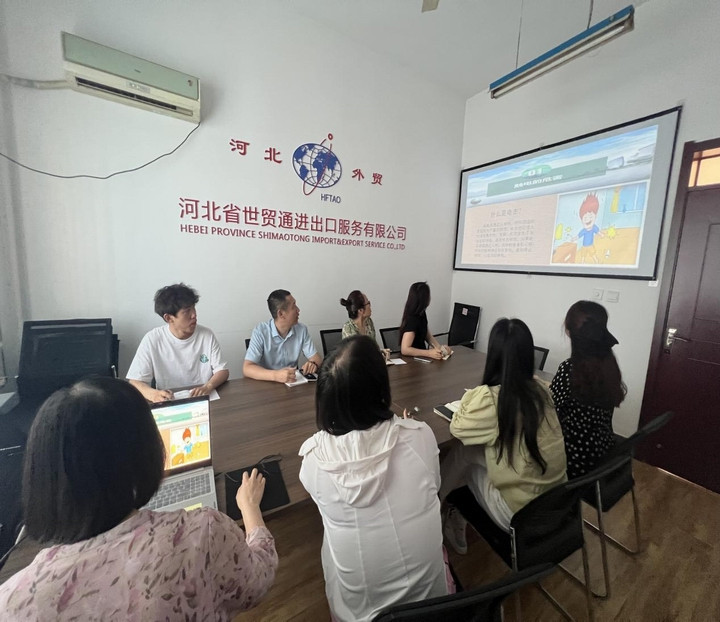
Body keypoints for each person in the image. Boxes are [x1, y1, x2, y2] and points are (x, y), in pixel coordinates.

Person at [0, 377, 277, 621]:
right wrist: (250, 508)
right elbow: (257, 581)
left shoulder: (13, 604)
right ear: (148, 453)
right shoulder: (203, 532)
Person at [299, 335, 449, 622]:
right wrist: (408, 429)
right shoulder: (421, 437)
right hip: (435, 609)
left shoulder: (315, 460)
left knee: (329, 532)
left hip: (361, 616)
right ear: (381, 386)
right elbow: (434, 486)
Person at [439, 318, 566, 554]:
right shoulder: (543, 390)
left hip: (520, 516)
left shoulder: (493, 399)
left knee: (462, 451)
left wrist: (473, 394)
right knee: (472, 449)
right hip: (558, 504)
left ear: (494, 356)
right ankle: (450, 512)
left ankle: (439, 507)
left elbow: (457, 427)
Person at [550, 300, 627, 479]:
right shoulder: (608, 364)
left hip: (574, 458)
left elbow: (549, 409)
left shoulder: (570, 369)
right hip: (603, 451)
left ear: (570, 332)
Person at [127, 283, 229, 402]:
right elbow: (135, 381)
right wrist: (154, 394)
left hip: (204, 399)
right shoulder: (153, 339)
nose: (194, 315)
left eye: (193, 308)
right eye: (187, 311)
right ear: (169, 318)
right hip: (170, 401)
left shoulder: (206, 335)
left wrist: (208, 386)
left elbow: (222, 370)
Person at [243, 289, 322, 383]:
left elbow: (317, 358)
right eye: (294, 306)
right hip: (267, 384)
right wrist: (276, 375)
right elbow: (247, 368)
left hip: (292, 383)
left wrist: (313, 364)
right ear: (281, 314)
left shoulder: (301, 330)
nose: (298, 310)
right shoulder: (260, 332)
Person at [398, 282, 450, 359]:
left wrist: (440, 349)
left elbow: (427, 335)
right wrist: (429, 353)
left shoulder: (421, 313)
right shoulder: (412, 319)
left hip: (421, 358)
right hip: (412, 360)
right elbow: (405, 349)